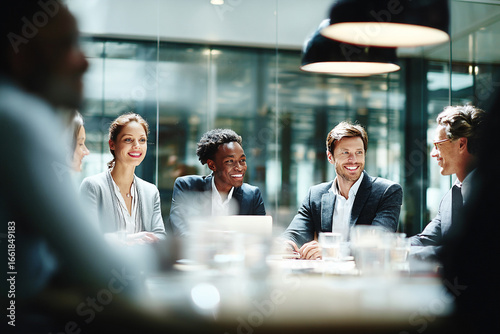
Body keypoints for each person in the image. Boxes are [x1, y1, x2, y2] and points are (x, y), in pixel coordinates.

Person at [281, 121, 403, 260]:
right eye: (345, 153)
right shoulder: (316, 195)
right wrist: (286, 245)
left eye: (359, 152)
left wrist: (331, 249)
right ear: (330, 157)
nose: (354, 160)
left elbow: (379, 241)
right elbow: (295, 233)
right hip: (325, 277)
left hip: (365, 277)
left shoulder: (387, 192)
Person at [410, 105, 485, 260]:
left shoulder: (489, 192)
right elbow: (425, 240)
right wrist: (389, 247)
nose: (433, 154)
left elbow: (472, 251)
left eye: (438, 145)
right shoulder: (453, 194)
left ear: (461, 144)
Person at [80, 113, 167, 244]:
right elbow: (86, 238)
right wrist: (126, 240)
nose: (137, 145)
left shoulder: (151, 191)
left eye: (142, 140)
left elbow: (160, 236)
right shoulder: (93, 186)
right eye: (128, 140)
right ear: (112, 144)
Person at [169, 128, 266, 237]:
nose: (239, 167)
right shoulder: (187, 186)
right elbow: (180, 231)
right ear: (212, 165)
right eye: (230, 161)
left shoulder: (253, 195)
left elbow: (261, 236)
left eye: (242, 160)